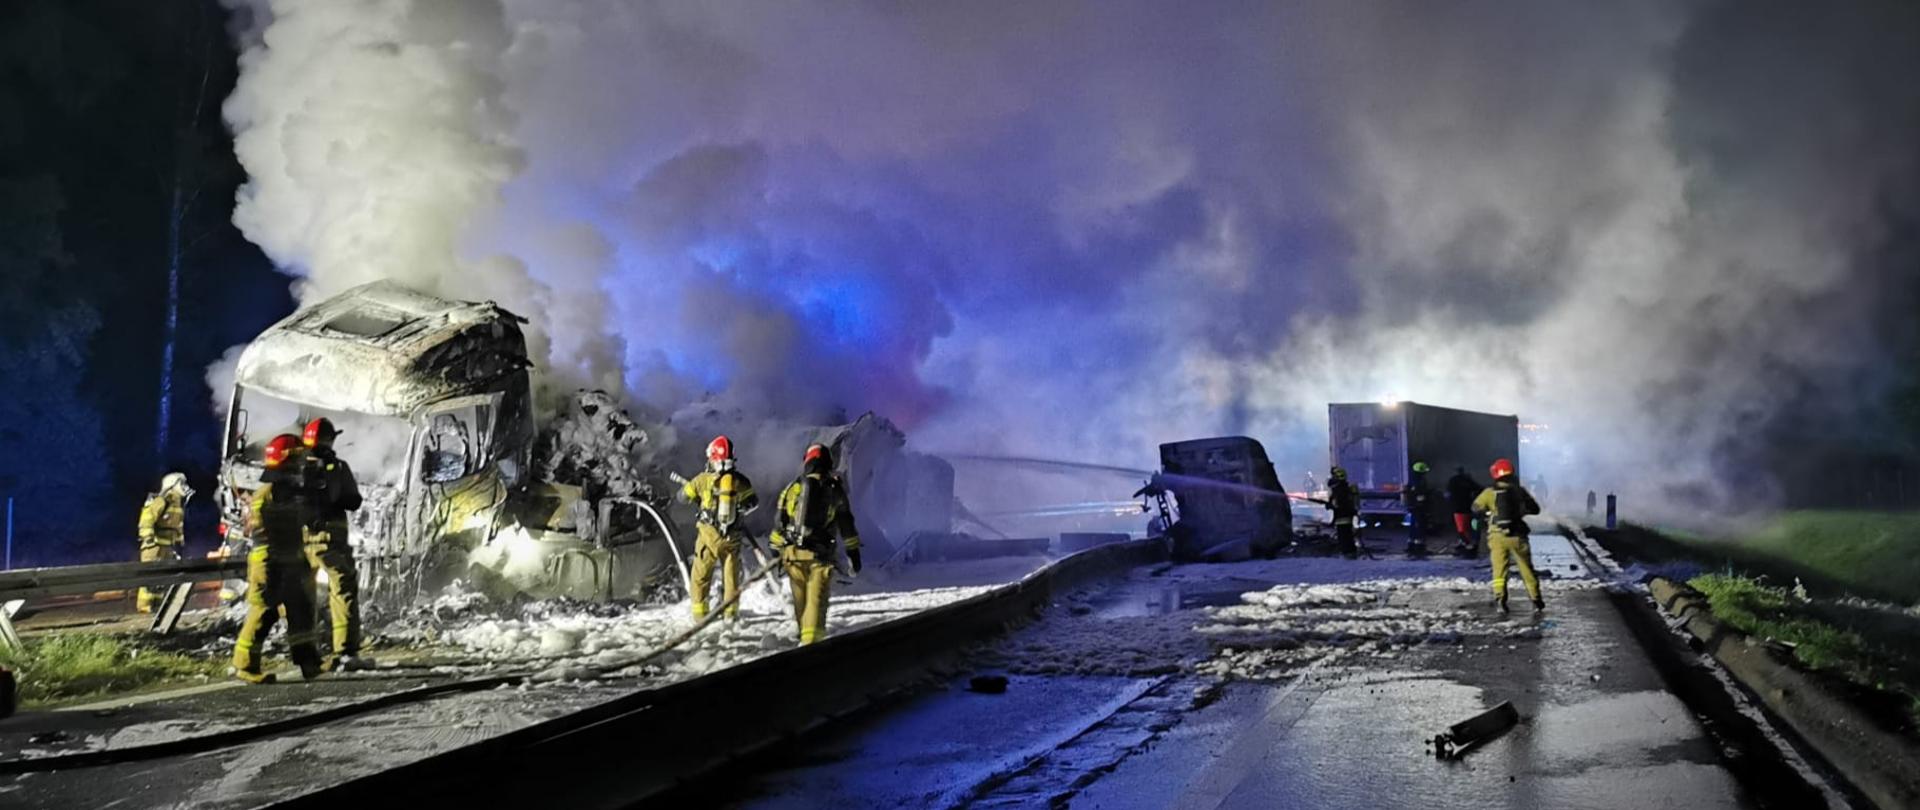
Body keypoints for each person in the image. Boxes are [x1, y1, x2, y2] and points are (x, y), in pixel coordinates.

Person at [234, 434, 324, 684]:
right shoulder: (268, 493)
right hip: (271, 562)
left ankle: (308, 661)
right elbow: (270, 530)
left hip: (291, 560)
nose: (302, 462)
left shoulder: (287, 490)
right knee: (264, 612)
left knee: (301, 610)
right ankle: (245, 665)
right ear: (287, 459)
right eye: (298, 457)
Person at [770, 444, 862, 645]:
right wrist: (853, 552)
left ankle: (804, 634)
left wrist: (775, 549)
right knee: (816, 602)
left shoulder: (792, 487)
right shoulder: (834, 489)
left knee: (801, 601)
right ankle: (812, 648)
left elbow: (780, 520)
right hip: (819, 556)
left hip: (792, 555)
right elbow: (845, 522)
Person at [673, 436, 759, 621]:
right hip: (732, 538)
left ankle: (699, 616)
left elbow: (681, 497)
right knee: (731, 577)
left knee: (701, 575)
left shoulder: (702, 480)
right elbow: (753, 503)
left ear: (712, 458)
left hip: (708, 536)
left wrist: (692, 490)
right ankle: (731, 615)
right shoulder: (741, 481)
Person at [302, 418, 365, 670]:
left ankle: (305, 653)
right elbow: (353, 501)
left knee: (302, 597)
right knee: (343, 591)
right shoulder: (338, 468)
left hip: (300, 542)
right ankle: (345, 652)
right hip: (331, 542)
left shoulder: (295, 468)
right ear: (330, 440)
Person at [1472, 458, 1543, 614]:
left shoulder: (1489, 492)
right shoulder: (1520, 491)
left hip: (1497, 537)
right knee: (1526, 568)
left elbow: (1475, 508)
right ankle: (1536, 599)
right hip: (1518, 536)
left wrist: (1488, 513)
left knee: (1499, 570)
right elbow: (1535, 509)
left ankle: (1500, 599)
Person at [136, 472, 192, 612]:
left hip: (168, 546)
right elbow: (147, 517)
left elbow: (177, 525)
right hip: (154, 546)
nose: (184, 487)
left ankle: (157, 608)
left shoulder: (179, 503)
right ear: (172, 485)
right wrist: (147, 537)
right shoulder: (162, 499)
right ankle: (145, 608)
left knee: (163, 579)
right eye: (181, 483)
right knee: (150, 578)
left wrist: (179, 542)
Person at [1446, 466, 1481, 555]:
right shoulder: (1467, 480)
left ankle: (1467, 546)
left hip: (1458, 508)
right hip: (1467, 507)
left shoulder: (1453, 481)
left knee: (1461, 528)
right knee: (1469, 527)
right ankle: (1467, 544)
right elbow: (1478, 488)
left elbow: (1448, 493)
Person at [1328, 466, 1359, 558]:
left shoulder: (1340, 490)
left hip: (1343, 517)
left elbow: (1340, 504)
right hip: (1345, 517)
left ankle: (1348, 554)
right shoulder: (1343, 488)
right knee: (1347, 536)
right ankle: (1349, 552)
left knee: (1345, 537)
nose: (1332, 478)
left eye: (1334, 476)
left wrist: (1331, 506)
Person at [1404, 461, 1433, 556]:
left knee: (1413, 526)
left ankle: (1411, 546)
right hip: (1419, 508)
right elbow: (1420, 496)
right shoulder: (1418, 482)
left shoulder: (1412, 480)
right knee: (1419, 527)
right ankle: (1419, 547)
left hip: (1413, 507)